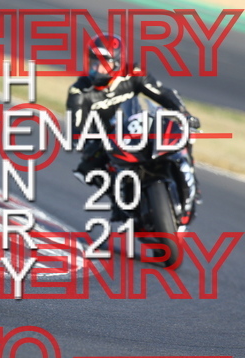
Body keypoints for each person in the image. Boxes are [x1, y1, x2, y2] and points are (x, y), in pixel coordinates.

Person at [67, 33, 201, 221]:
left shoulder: (133, 73)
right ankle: (119, 203)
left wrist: (182, 112)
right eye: (94, 63)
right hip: (106, 140)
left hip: (137, 127)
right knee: (88, 167)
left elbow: (162, 93)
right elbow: (76, 123)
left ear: (117, 62)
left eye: (103, 64)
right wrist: (81, 140)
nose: (97, 69)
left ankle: (190, 176)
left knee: (182, 131)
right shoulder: (79, 90)